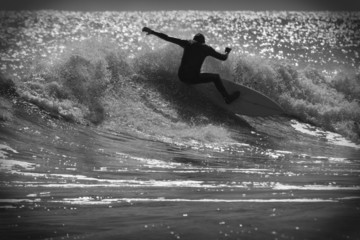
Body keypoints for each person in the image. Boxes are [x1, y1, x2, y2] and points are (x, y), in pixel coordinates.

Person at [142, 27, 240, 104]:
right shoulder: (206, 48)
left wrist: (153, 32)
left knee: (193, 71)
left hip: (181, 77)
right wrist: (227, 52)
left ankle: (193, 81)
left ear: (194, 40)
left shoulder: (187, 43)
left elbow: (167, 38)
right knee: (216, 77)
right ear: (203, 42)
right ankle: (227, 98)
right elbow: (223, 58)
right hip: (193, 78)